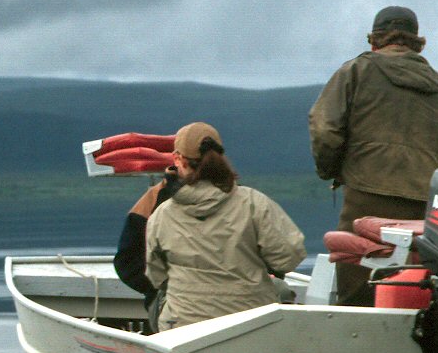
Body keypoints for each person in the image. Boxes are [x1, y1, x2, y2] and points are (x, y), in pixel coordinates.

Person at [309, 5, 438, 305]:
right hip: (424, 206)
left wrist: (331, 169)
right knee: (413, 291)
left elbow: (325, 128)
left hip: (366, 197)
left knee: (357, 293)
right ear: (417, 42)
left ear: (374, 40)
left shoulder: (356, 71)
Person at [145, 122, 306, 331]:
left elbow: (155, 275)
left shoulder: (161, 215)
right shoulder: (253, 203)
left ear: (178, 160)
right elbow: (288, 257)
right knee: (280, 290)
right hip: (252, 323)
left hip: (183, 326)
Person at [113, 164, 180, 331]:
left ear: (179, 160)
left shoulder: (157, 202)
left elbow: (127, 263)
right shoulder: (247, 201)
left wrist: (156, 290)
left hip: (175, 314)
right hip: (242, 312)